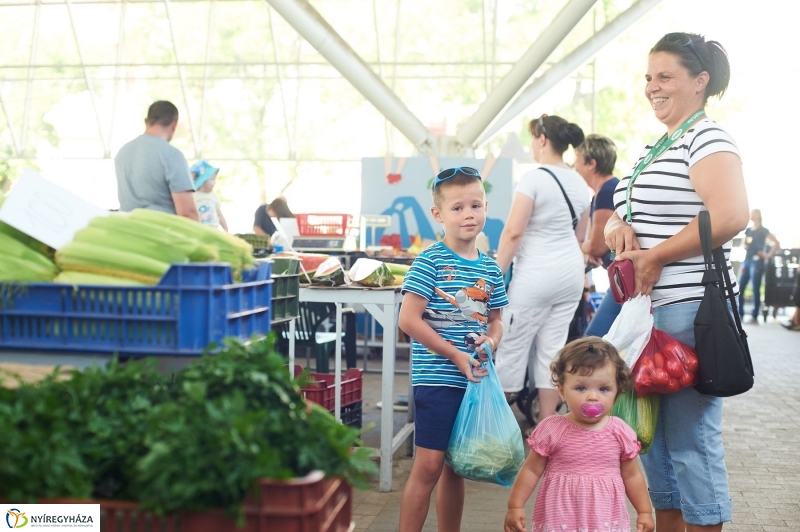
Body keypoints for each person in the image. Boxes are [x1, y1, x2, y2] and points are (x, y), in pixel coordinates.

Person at [604, 32, 748, 530]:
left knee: (689, 440)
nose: (652, 87)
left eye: (665, 76)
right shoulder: (657, 145)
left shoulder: (707, 137)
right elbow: (622, 214)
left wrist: (657, 256)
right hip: (647, 313)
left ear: (700, 81)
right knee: (651, 441)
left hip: (688, 309)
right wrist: (615, 227)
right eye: (648, 77)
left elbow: (730, 215)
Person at [398, 166, 508, 532]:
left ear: (486, 207)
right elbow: (409, 320)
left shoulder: (491, 268)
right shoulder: (429, 261)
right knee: (428, 465)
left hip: (473, 379)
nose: (468, 215)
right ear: (438, 214)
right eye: (457, 208)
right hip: (437, 377)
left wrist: (490, 342)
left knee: (455, 467)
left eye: (475, 205)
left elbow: (496, 320)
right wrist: (455, 354)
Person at [494, 114, 590, 424]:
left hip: (536, 275)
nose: (532, 145)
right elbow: (579, 237)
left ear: (543, 140)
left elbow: (513, 233)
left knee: (511, 346)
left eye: (533, 138)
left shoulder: (533, 178)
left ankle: (494, 426)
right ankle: (547, 430)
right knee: (551, 352)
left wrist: (494, 275)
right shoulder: (580, 183)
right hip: (570, 275)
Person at [504, 337, 654, 532]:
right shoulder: (552, 429)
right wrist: (515, 506)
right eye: (581, 388)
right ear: (562, 391)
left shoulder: (620, 431)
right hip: (560, 518)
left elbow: (632, 475)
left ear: (617, 393)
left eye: (604, 389)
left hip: (604, 519)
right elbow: (531, 470)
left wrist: (644, 512)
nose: (592, 396)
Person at [114, 101, 198, 220]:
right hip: (163, 233)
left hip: (128, 231)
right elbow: (187, 213)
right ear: (174, 124)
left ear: (146, 121)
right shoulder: (171, 155)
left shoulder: (122, 152)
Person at [574, 135, 623, 337]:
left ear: (591, 164)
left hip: (624, 283)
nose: (574, 165)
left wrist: (586, 247)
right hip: (621, 280)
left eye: (577, 159)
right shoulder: (608, 190)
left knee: (592, 342)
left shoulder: (606, 192)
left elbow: (597, 246)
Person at [738, 209, 780, 324]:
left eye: (752, 213)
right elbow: (743, 242)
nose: (750, 215)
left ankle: (755, 315)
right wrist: (745, 246)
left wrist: (767, 255)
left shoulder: (763, 230)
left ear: (757, 215)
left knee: (756, 288)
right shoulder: (748, 230)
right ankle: (739, 313)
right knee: (740, 287)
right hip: (747, 260)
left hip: (757, 261)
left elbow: (776, 242)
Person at [191, 160, 228, 231]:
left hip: (214, 230)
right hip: (199, 231)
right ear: (203, 181)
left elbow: (219, 214)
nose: (215, 182)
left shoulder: (213, 196)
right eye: (212, 179)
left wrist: (226, 229)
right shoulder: (193, 196)